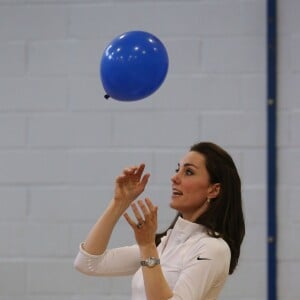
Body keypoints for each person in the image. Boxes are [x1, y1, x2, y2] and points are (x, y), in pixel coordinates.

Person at [74, 141, 245, 300]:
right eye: (177, 169)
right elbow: (88, 263)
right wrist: (119, 203)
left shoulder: (212, 248)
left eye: (189, 172)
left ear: (213, 190)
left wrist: (147, 247)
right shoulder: (163, 244)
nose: (175, 178)